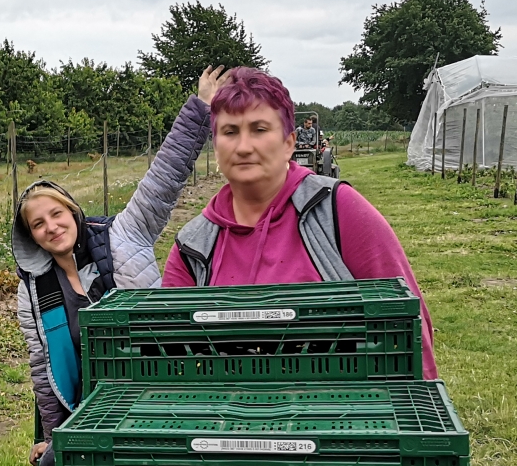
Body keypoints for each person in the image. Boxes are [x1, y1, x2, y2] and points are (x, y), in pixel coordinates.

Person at [162, 68, 437, 379]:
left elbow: (407, 323)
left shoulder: (337, 210)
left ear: (289, 143)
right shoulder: (193, 246)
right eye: (230, 132)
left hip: (342, 403)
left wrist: (421, 396)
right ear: (215, 147)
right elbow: (169, 356)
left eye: (259, 129)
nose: (244, 146)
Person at [15, 68, 227, 466]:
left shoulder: (126, 233)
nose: (51, 227)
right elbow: (44, 369)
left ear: (73, 212)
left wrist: (200, 108)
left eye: (57, 214)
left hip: (159, 393)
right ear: (31, 237)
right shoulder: (34, 289)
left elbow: (164, 176)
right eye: (38, 224)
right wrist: (51, 436)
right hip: (92, 410)